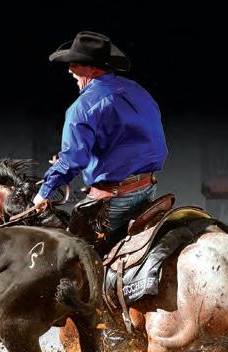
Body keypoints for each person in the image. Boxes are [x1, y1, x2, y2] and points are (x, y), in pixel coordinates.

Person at [32, 31, 168, 240]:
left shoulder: (82, 108)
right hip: (147, 190)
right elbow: (125, 141)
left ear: (92, 68)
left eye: (75, 64)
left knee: (70, 251)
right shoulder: (138, 91)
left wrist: (44, 192)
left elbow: (73, 160)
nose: (70, 70)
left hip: (116, 198)